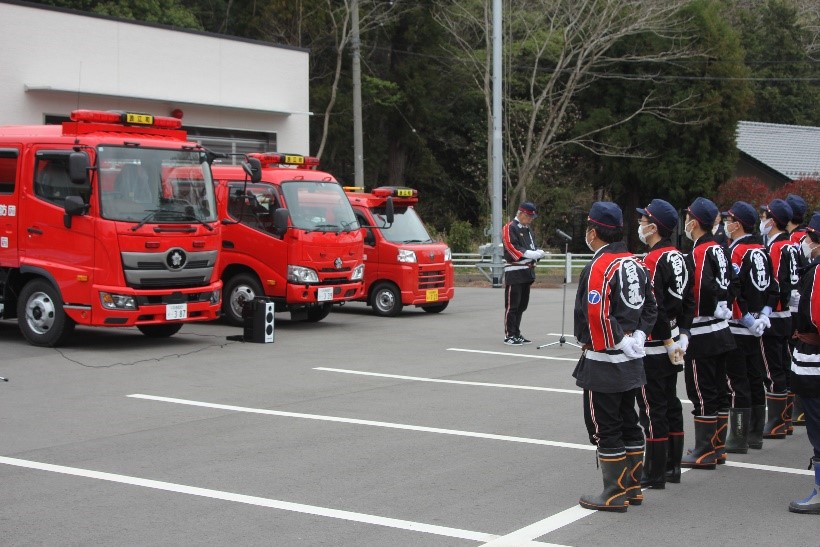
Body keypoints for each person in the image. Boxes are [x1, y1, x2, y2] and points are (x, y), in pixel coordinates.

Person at [573, 201, 657, 512]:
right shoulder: (635, 262)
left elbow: (596, 313)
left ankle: (613, 491)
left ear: (593, 231)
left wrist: (619, 340)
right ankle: (633, 487)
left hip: (604, 360)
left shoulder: (601, 265)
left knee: (603, 425)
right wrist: (638, 336)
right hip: (632, 359)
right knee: (629, 422)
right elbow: (651, 306)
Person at [634, 199, 691, 488]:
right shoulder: (679, 255)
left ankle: (654, 472)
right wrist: (683, 333)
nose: (640, 225)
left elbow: (652, 304)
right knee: (670, 404)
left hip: (657, 344)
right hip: (674, 339)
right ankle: (672, 467)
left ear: (654, 227)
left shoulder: (653, 259)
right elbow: (688, 298)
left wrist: (667, 338)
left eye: (643, 220)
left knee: (651, 407)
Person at [679, 197, 736, 469]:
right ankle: (717, 447)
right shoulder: (721, 247)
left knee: (702, 390)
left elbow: (700, 290)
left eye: (688, 216)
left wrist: (687, 319)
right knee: (719, 390)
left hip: (703, 331)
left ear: (695, 221)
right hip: (722, 329)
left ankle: (704, 450)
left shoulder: (701, 251)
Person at [721, 202, 775, 453]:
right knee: (755, 379)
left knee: (737, 381)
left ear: (737, 224)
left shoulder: (737, 252)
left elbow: (733, 290)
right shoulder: (762, 249)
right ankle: (755, 434)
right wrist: (764, 314)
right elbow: (773, 286)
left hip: (739, 325)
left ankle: (739, 436)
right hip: (757, 325)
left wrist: (746, 318)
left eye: (729, 219)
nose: (725, 224)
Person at [787, 211, 820, 514]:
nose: (806, 240)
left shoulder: (818, 271)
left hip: (815, 361)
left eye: (810, 236)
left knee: (818, 427)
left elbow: (814, 318)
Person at [759, 199, 798, 439]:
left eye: (764, 217)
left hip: (775, 313)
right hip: (789, 313)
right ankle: (785, 419)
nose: (762, 221)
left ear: (772, 221)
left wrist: (764, 308)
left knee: (773, 368)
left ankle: (775, 422)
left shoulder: (775, 248)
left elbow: (772, 283)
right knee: (784, 364)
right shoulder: (791, 245)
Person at [502, 201, 545, 345]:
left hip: (527, 270)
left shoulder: (527, 229)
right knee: (512, 305)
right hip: (514, 271)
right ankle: (509, 335)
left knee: (522, 305)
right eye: (529, 216)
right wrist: (529, 253)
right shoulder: (510, 228)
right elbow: (511, 246)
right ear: (521, 214)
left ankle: (517, 332)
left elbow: (533, 245)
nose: (531, 220)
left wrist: (537, 253)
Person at [786, 193, 809, 428]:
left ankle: (799, 407)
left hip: (795, 304)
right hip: (801, 302)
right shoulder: (805, 236)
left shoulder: (795, 239)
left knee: (794, 354)